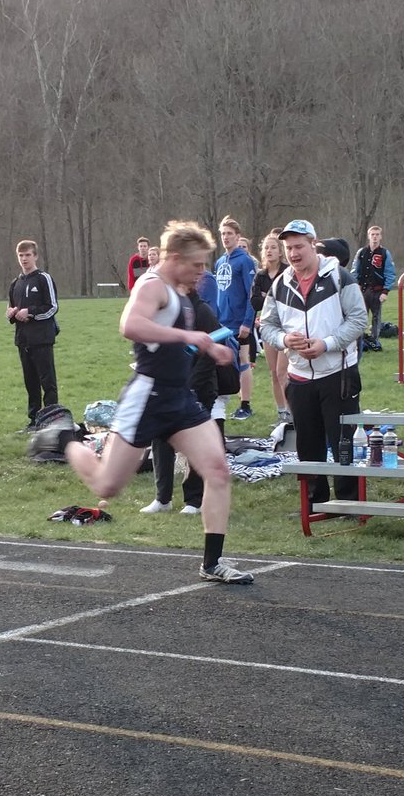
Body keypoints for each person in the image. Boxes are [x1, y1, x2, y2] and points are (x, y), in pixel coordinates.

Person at [30, 219, 251, 584]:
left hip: (179, 398)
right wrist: (187, 334)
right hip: (146, 397)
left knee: (218, 470)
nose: (202, 272)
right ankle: (63, 438)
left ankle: (212, 563)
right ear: (176, 258)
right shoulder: (152, 285)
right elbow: (130, 326)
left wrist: (205, 345)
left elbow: (173, 341)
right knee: (107, 487)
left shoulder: (180, 292)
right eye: (196, 265)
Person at [259, 219, 367, 507]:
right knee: (308, 446)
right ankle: (314, 504)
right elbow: (266, 325)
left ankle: (348, 504)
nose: (293, 253)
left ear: (313, 245)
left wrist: (327, 344)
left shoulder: (340, 277)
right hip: (299, 378)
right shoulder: (279, 284)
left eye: (299, 247)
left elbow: (358, 320)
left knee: (342, 443)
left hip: (338, 374)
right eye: (288, 248)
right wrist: (284, 340)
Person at [140, 272, 225, 516]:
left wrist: (188, 384)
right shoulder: (165, 312)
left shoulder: (203, 312)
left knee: (195, 445)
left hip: (197, 389)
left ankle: (194, 500)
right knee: (160, 441)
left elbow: (210, 354)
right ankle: (162, 497)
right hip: (165, 386)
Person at [5, 239, 59, 431]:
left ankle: (52, 420)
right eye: (21, 255)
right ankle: (34, 420)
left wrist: (31, 312)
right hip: (23, 339)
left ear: (35, 256)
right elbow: (11, 307)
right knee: (30, 382)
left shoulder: (44, 278)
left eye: (28, 255)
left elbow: (52, 307)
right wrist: (11, 314)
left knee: (48, 381)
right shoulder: (15, 283)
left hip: (42, 339)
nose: (24, 259)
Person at [215, 217, 257, 420]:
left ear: (237, 236)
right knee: (222, 361)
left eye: (229, 233)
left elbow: (252, 293)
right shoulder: (220, 261)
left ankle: (245, 404)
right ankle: (221, 402)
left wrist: (247, 322)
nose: (226, 237)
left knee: (243, 361)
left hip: (240, 322)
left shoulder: (245, 260)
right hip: (222, 322)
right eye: (223, 233)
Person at [250, 233, 290, 424]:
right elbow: (255, 302)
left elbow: (287, 301)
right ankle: (281, 412)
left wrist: (268, 298)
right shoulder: (261, 275)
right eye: (266, 247)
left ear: (280, 251)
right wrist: (269, 299)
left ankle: (292, 412)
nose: (269, 251)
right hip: (267, 327)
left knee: (284, 372)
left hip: (286, 328)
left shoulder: (288, 272)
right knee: (274, 372)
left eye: (273, 247)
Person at [352, 225, 397, 351]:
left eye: (377, 234)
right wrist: (356, 286)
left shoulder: (384, 253)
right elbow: (355, 270)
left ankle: (374, 341)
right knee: (361, 316)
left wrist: (385, 291)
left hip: (377, 291)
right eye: (372, 234)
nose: (375, 237)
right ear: (369, 236)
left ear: (381, 237)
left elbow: (390, 272)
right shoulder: (361, 252)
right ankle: (360, 340)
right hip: (363, 290)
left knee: (376, 317)